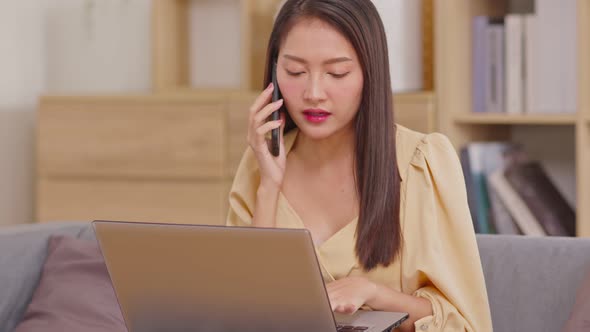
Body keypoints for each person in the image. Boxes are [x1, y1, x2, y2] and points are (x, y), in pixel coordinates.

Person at [226, 0, 493, 331]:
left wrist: (376, 295)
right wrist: (268, 187)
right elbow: (245, 311)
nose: (313, 93)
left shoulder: (421, 163)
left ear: (370, 72)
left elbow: (466, 325)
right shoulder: (260, 163)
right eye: (295, 72)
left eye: (337, 73)